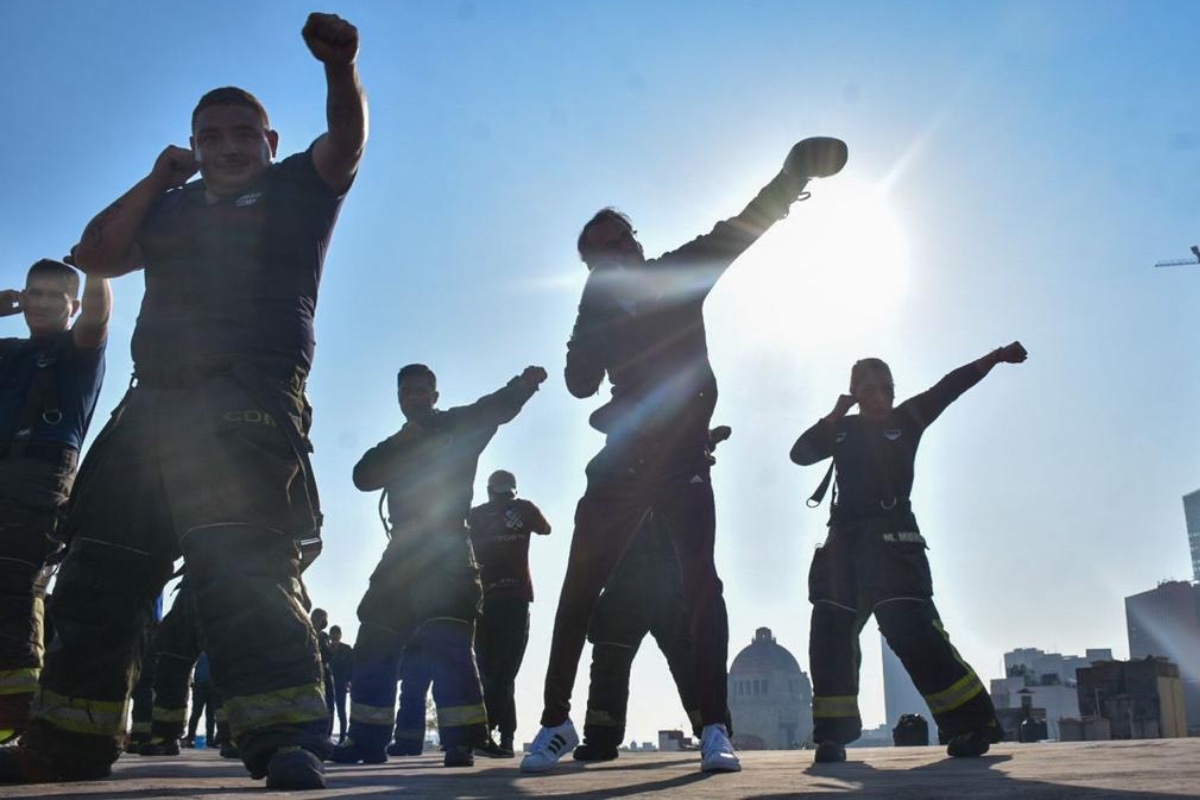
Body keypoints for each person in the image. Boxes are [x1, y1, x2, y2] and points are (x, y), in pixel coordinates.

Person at [0, 12, 368, 791]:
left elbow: (347, 143)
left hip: (248, 404)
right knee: (98, 573)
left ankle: (284, 739)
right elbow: (94, 252)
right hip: (152, 408)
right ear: (193, 146)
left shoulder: (300, 188)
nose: (228, 147)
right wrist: (160, 179)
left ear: (269, 144)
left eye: (243, 134)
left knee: (242, 567)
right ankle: (65, 740)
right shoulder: (170, 208)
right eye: (212, 136)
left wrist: (342, 70)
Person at [522, 136, 847, 775]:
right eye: (607, 249)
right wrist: (592, 307)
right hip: (620, 466)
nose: (626, 250)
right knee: (579, 587)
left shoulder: (678, 273)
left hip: (682, 465)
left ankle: (714, 727)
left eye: (627, 238)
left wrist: (791, 176)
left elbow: (739, 229)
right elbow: (581, 383)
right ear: (591, 265)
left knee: (703, 584)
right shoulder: (596, 307)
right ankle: (555, 722)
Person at [789, 343, 1028, 763]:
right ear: (855, 394)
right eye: (868, 390)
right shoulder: (841, 431)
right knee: (830, 636)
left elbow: (949, 387)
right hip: (841, 549)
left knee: (916, 635)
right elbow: (801, 454)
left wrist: (993, 358)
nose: (879, 397)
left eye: (885, 388)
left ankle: (974, 725)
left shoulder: (908, 420)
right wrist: (834, 414)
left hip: (894, 547)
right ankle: (832, 735)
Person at [334, 363, 547, 768]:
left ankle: (462, 741)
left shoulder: (460, 426)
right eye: (405, 393)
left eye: (419, 391)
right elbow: (362, 477)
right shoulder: (397, 443)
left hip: (448, 546)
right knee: (375, 636)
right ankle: (365, 739)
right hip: (402, 552)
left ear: (435, 394)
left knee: (449, 642)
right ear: (399, 400)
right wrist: (400, 442)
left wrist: (523, 385)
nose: (412, 398)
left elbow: (495, 408)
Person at [574, 427, 732, 762]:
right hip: (625, 582)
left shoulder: (678, 472)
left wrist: (699, 446)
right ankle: (601, 737)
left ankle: (713, 733)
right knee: (609, 663)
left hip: (668, 582)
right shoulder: (609, 474)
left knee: (689, 661)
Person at [0, 260, 109, 742]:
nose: (41, 303)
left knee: (13, 585)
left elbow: (98, 320)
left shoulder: (78, 351)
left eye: (53, 296)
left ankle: (18, 719)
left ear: (73, 305)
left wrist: (98, 268)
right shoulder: (9, 351)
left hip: (41, 473)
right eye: (33, 293)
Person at [468, 469, 551, 757]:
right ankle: (490, 733)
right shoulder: (524, 509)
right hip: (515, 598)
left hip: (483, 601)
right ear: (513, 489)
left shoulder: (475, 515)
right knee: (505, 671)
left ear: (489, 490)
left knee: (492, 671)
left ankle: (500, 735)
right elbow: (546, 528)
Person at [311, 609, 335, 737]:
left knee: (329, 704)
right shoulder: (309, 632)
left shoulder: (323, 636)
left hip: (323, 671)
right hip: (313, 673)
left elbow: (328, 655)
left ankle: (327, 734)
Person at [185, 652, 216, 748]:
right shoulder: (200, 653)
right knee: (197, 713)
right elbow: (189, 665)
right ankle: (191, 739)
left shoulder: (209, 653)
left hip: (210, 686)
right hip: (201, 686)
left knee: (210, 715)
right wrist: (190, 681)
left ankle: (209, 740)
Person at [328, 626, 352, 745]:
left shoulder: (346, 649)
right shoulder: (326, 649)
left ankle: (342, 737)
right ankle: (328, 736)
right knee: (329, 711)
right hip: (329, 684)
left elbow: (352, 666)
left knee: (341, 712)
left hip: (341, 683)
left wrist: (350, 681)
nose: (335, 637)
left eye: (337, 634)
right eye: (333, 634)